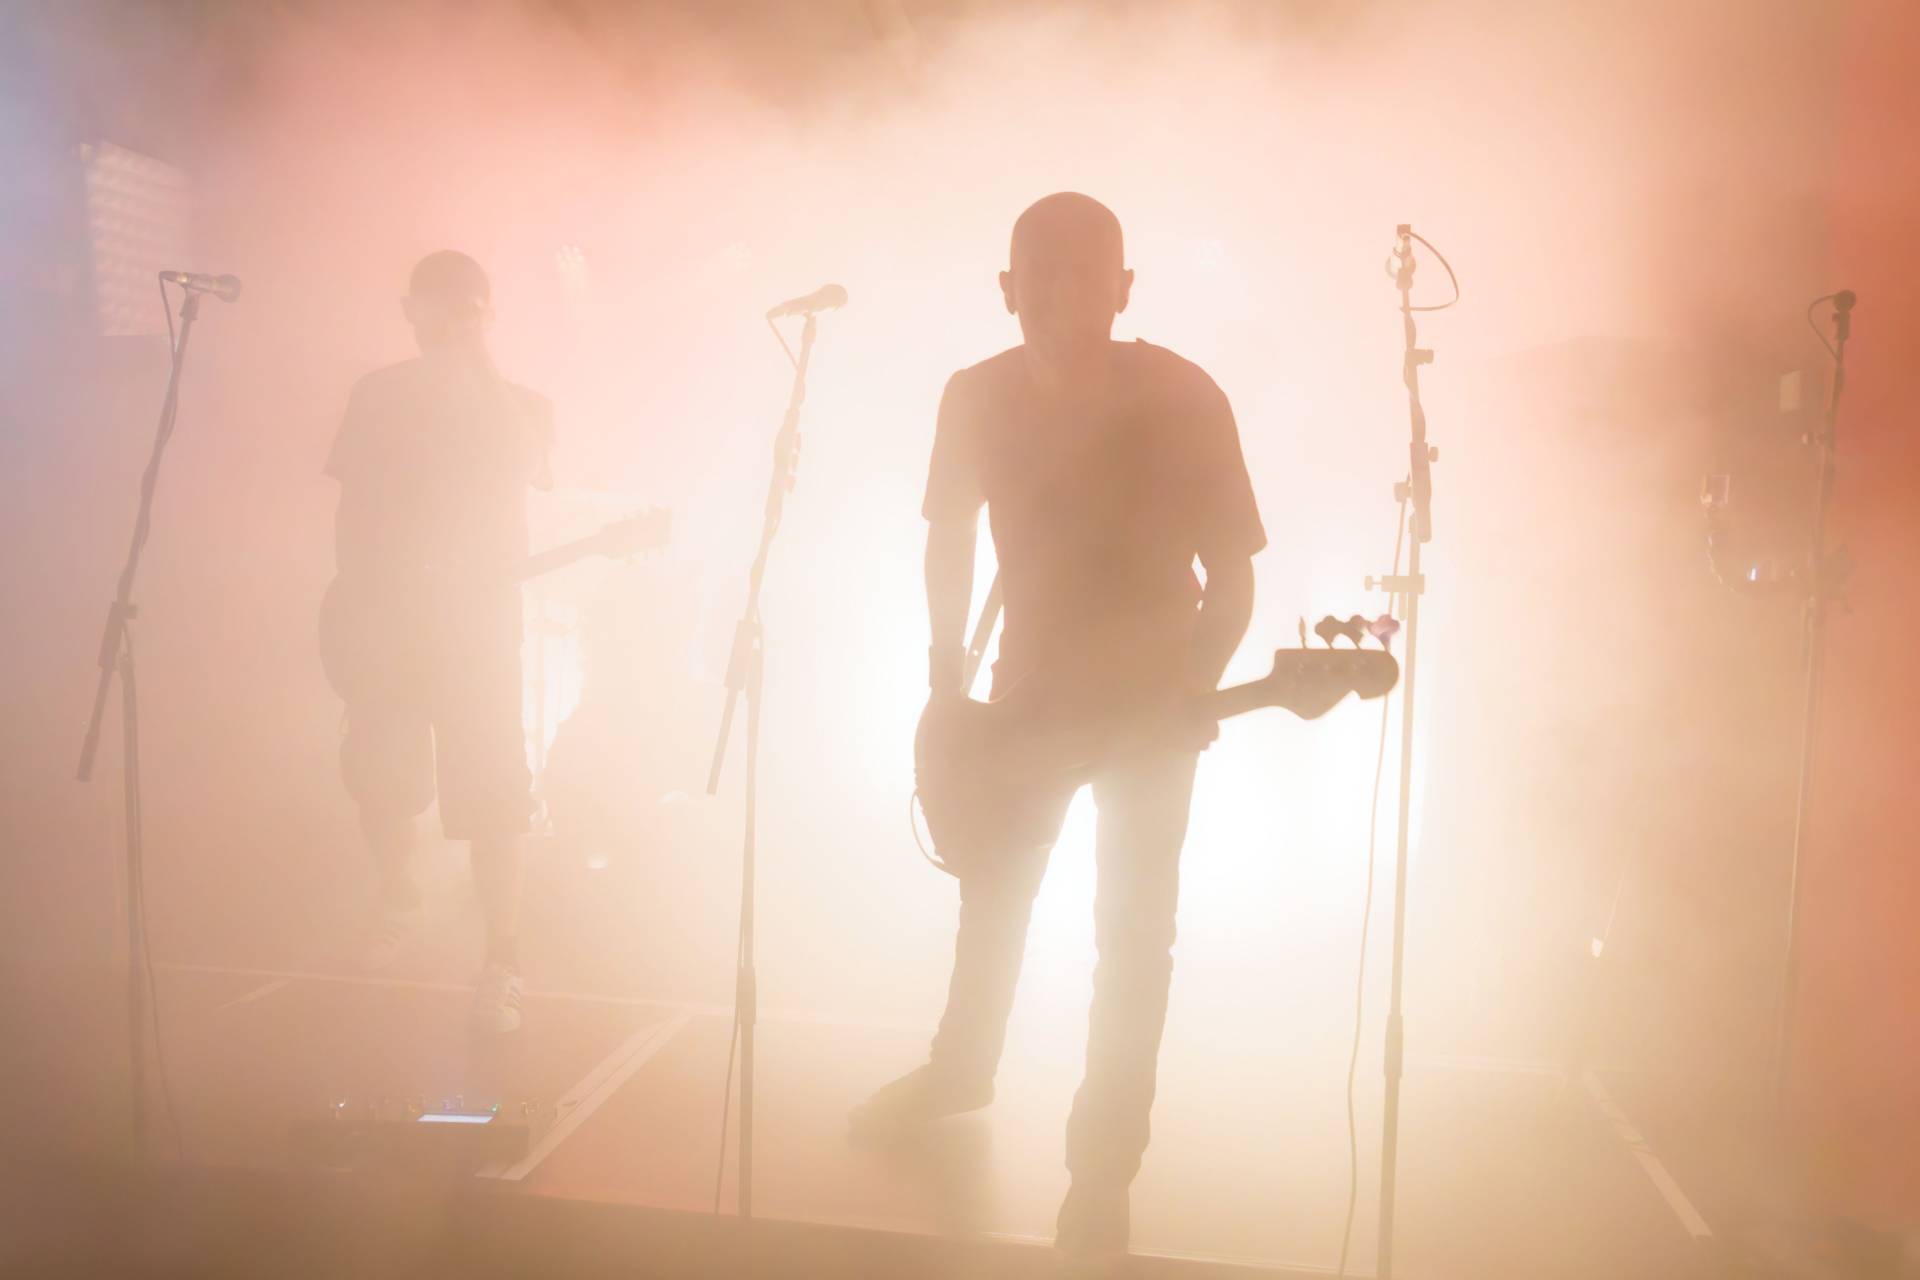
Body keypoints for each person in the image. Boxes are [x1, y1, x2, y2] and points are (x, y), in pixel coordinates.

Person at [850, 193, 1265, 1258]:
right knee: (994, 898)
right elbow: (947, 538)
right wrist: (946, 682)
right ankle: (961, 1071)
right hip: (1025, 690)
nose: (1065, 300)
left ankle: (1102, 1167)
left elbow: (1234, 576)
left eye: (1088, 280)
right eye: (1044, 280)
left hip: (1149, 704)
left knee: (1132, 935)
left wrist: (1197, 685)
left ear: (1124, 290)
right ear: (1008, 290)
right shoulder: (974, 396)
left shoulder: (1184, 396)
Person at [324, 250, 552, 1034]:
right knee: (380, 780)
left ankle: (503, 959)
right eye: (436, 305)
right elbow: (352, 513)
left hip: (478, 634)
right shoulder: (377, 394)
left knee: (494, 796)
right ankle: (400, 900)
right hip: (385, 627)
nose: (448, 321)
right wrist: (349, 611)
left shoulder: (521, 403)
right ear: (409, 309)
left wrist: (479, 360)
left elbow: (530, 463)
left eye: (467, 309)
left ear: (487, 316)